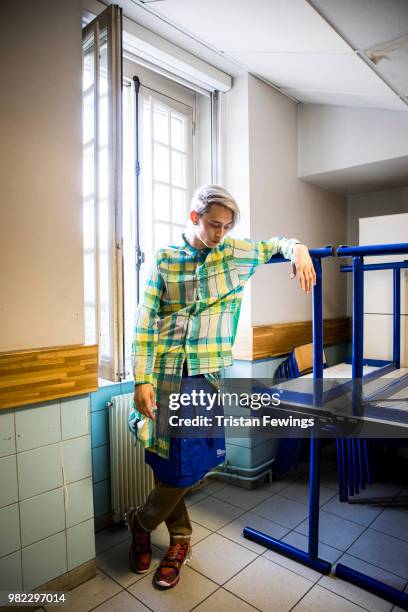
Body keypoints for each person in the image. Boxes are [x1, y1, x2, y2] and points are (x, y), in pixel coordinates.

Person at [128, 185, 316, 589]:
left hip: (205, 378)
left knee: (185, 467)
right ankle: (178, 539)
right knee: (170, 465)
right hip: (163, 376)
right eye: (215, 225)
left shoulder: (234, 254)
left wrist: (298, 248)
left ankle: (141, 521)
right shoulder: (165, 260)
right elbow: (145, 322)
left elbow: (274, 245)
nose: (220, 233)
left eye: (227, 227)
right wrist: (141, 377)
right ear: (194, 217)